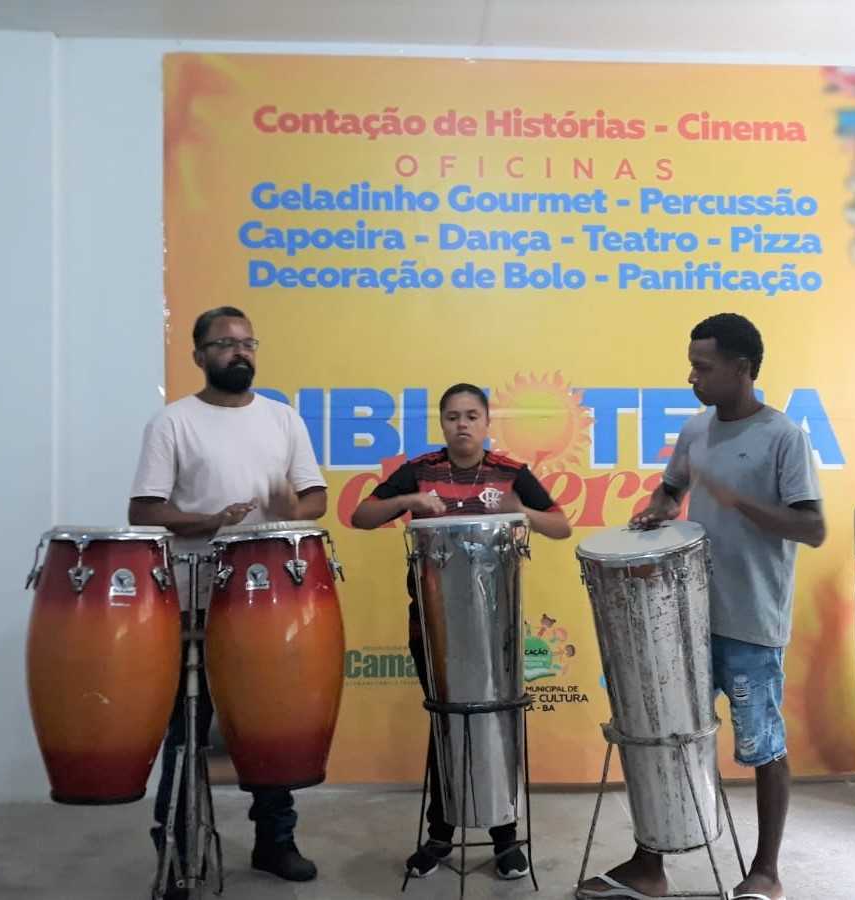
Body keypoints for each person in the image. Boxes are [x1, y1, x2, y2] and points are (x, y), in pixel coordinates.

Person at [579, 313, 825, 900]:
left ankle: (765, 873)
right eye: (692, 365)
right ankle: (648, 867)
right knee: (667, 734)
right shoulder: (695, 429)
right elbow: (673, 487)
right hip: (682, 621)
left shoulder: (784, 436)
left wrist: (742, 504)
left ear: (741, 370)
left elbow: (812, 527)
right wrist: (660, 507)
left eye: (703, 367)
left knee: (764, 746)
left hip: (751, 623)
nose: (692, 377)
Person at [129, 306, 327, 898]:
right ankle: (177, 849)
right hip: (192, 600)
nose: (239, 352)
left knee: (268, 723)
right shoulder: (172, 423)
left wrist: (292, 508)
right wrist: (208, 521)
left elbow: (314, 499)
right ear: (198, 355)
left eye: (246, 343)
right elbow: (143, 511)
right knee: (188, 727)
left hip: (271, 605)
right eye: (224, 344)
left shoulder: (282, 419)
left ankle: (276, 841)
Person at [351, 383, 571, 881]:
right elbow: (360, 517)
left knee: (496, 721)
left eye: (472, 416)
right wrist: (409, 499)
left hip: (496, 629)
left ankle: (505, 837)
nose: (462, 425)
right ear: (442, 423)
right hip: (434, 626)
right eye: (452, 416)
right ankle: (440, 836)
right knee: (448, 721)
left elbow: (560, 526)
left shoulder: (510, 474)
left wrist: (516, 511)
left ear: (487, 422)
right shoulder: (421, 470)